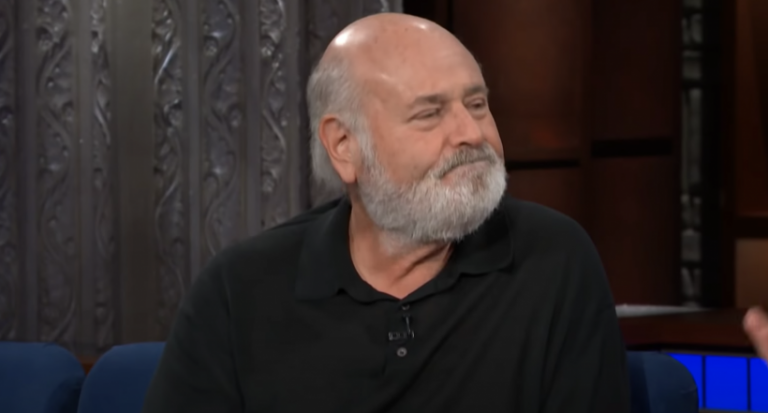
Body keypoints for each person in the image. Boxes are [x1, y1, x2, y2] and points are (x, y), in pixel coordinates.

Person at [142, 13, 630, 413]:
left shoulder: (553, 260)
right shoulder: (239, 291)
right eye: (429, 114)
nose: (472, 134)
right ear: (344, 145)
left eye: (477, 104)